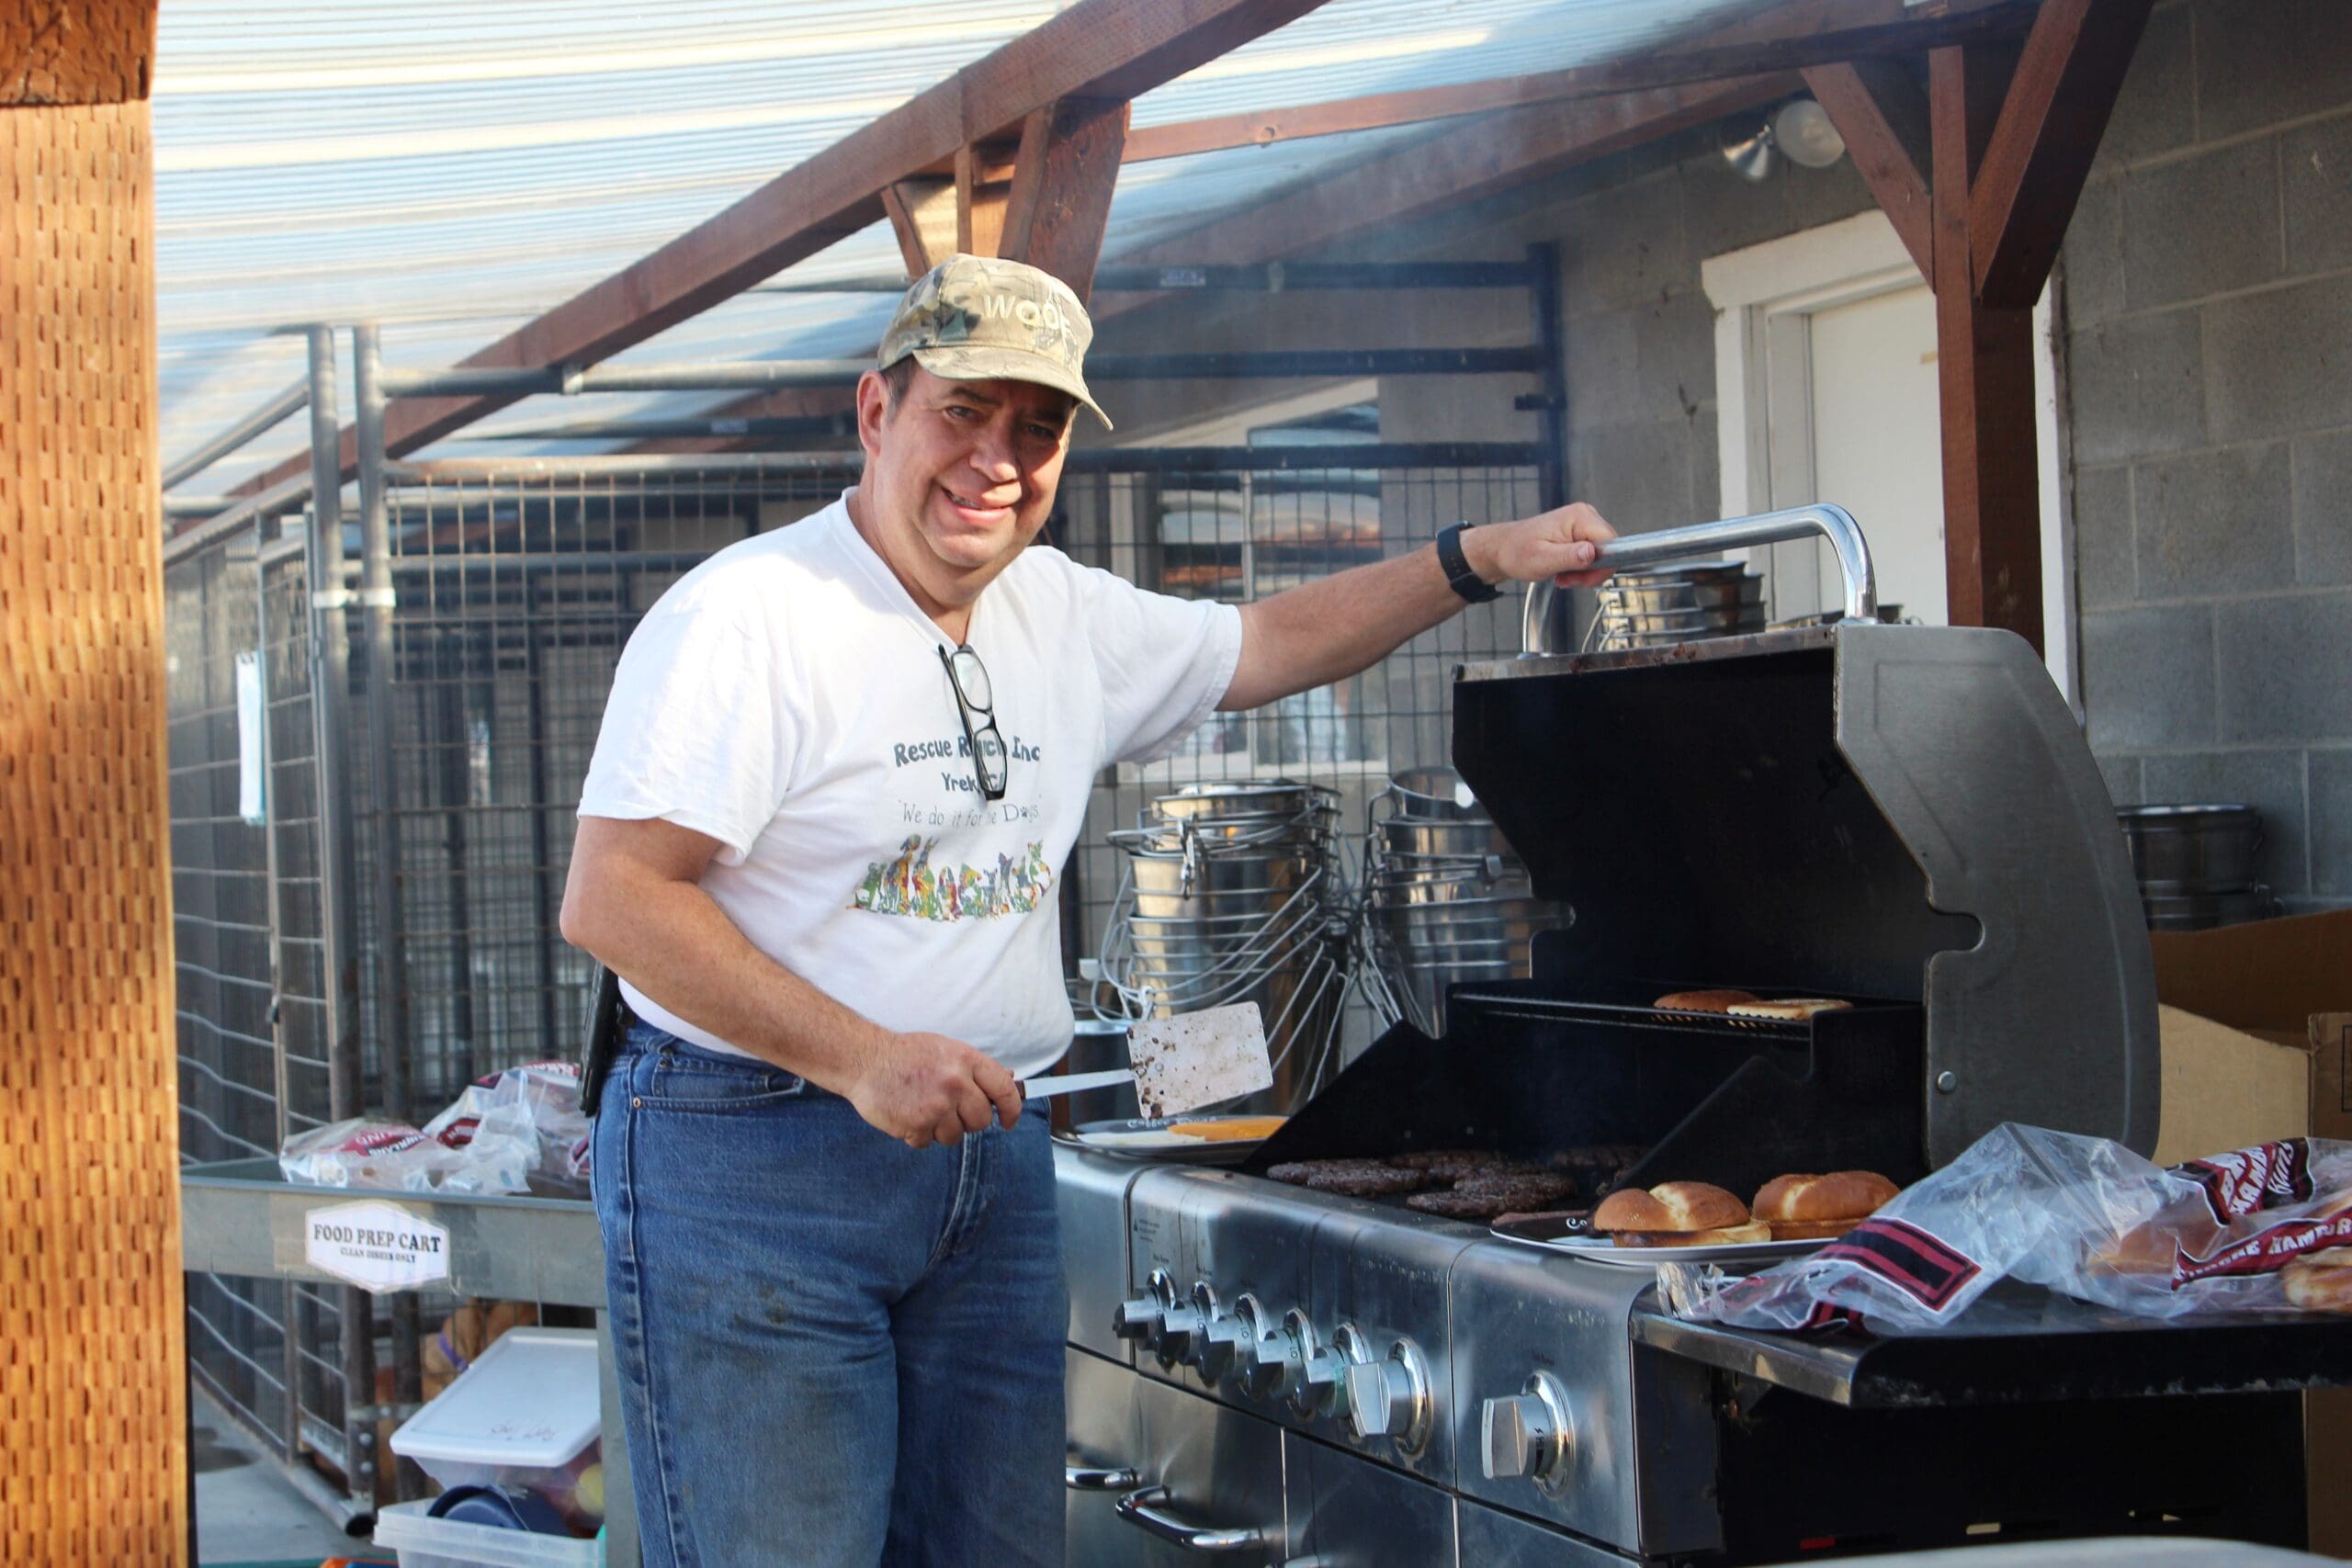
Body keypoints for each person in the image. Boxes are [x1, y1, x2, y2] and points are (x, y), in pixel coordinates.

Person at [559, 253, 1616, 1568]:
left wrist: (1471, 561)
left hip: (989, 1167)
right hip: (757, 1159)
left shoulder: (1055, 609)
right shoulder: (756, 618)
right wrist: (861, 1058)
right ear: (877, 413)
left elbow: (1270, 643)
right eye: (965, 411)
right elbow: (614, 897)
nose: (999, 458)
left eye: (1038, 426)